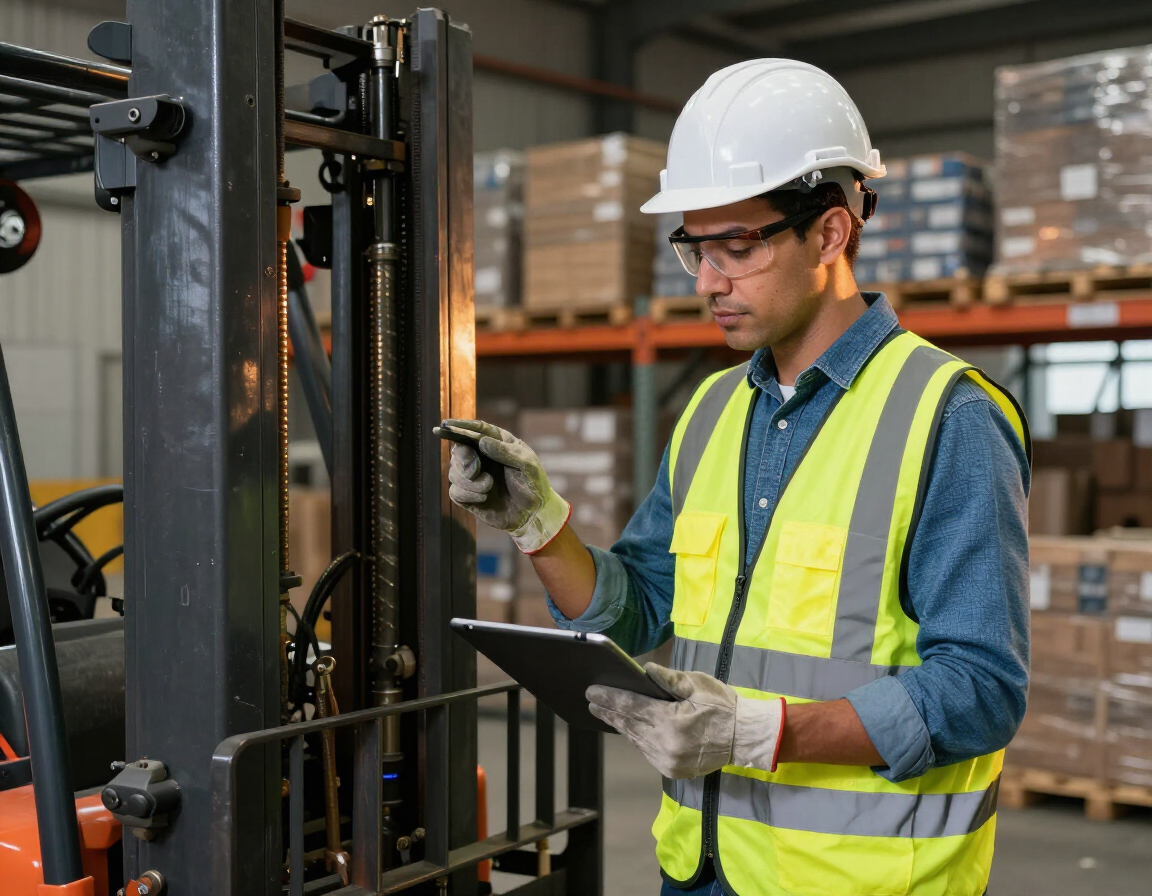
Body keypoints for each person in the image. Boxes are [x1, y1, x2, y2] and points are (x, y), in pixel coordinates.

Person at [443, 60, 1030, 896]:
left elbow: (980, 690)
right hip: (702, 867)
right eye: (694, 247)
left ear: (830, 233)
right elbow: (642, 608)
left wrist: (760, 733)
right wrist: (540, 527)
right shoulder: (714, 409)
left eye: (736, 246)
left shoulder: (949, 417)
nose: (709, 281)